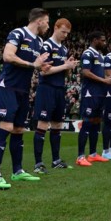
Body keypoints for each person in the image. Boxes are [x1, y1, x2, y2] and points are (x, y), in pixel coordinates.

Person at [0, 8, 51, 189]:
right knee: (6, 126)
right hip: (8, 86)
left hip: (23, 90)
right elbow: (7, 56)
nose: (48, 26)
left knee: (18, 130)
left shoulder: (39, 41)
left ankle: (17, 171)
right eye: (47, 22)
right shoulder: (18, 33)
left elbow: (34, 65)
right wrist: (33, 64)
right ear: (39, 21)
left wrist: (41, 67)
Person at [32, 18, 79, 174]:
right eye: (63, 31)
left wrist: (69, 66)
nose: (65, 35)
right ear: (56, 28)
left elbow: (63, 72)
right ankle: (38, 163)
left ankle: (56, 160)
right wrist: (65, 65)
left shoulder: (64, 49)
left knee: (57, 125)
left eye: (67, 33)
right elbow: (44, 70)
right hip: (47, 89)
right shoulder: (47, 46)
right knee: (43, 125)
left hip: (59, 89)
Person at [75, 31, 111, 166]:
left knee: (96, 123)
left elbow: (100, 76)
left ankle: (93, 154)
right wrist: (104, 80)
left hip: (100, 93)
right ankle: (80, 156)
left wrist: (109, 79)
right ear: (95, 40)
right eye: (103, 40)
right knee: (87, 123)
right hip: (90, 93)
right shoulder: (87, 54)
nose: (105, 43)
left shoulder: (100, 55)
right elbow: (86, 72)